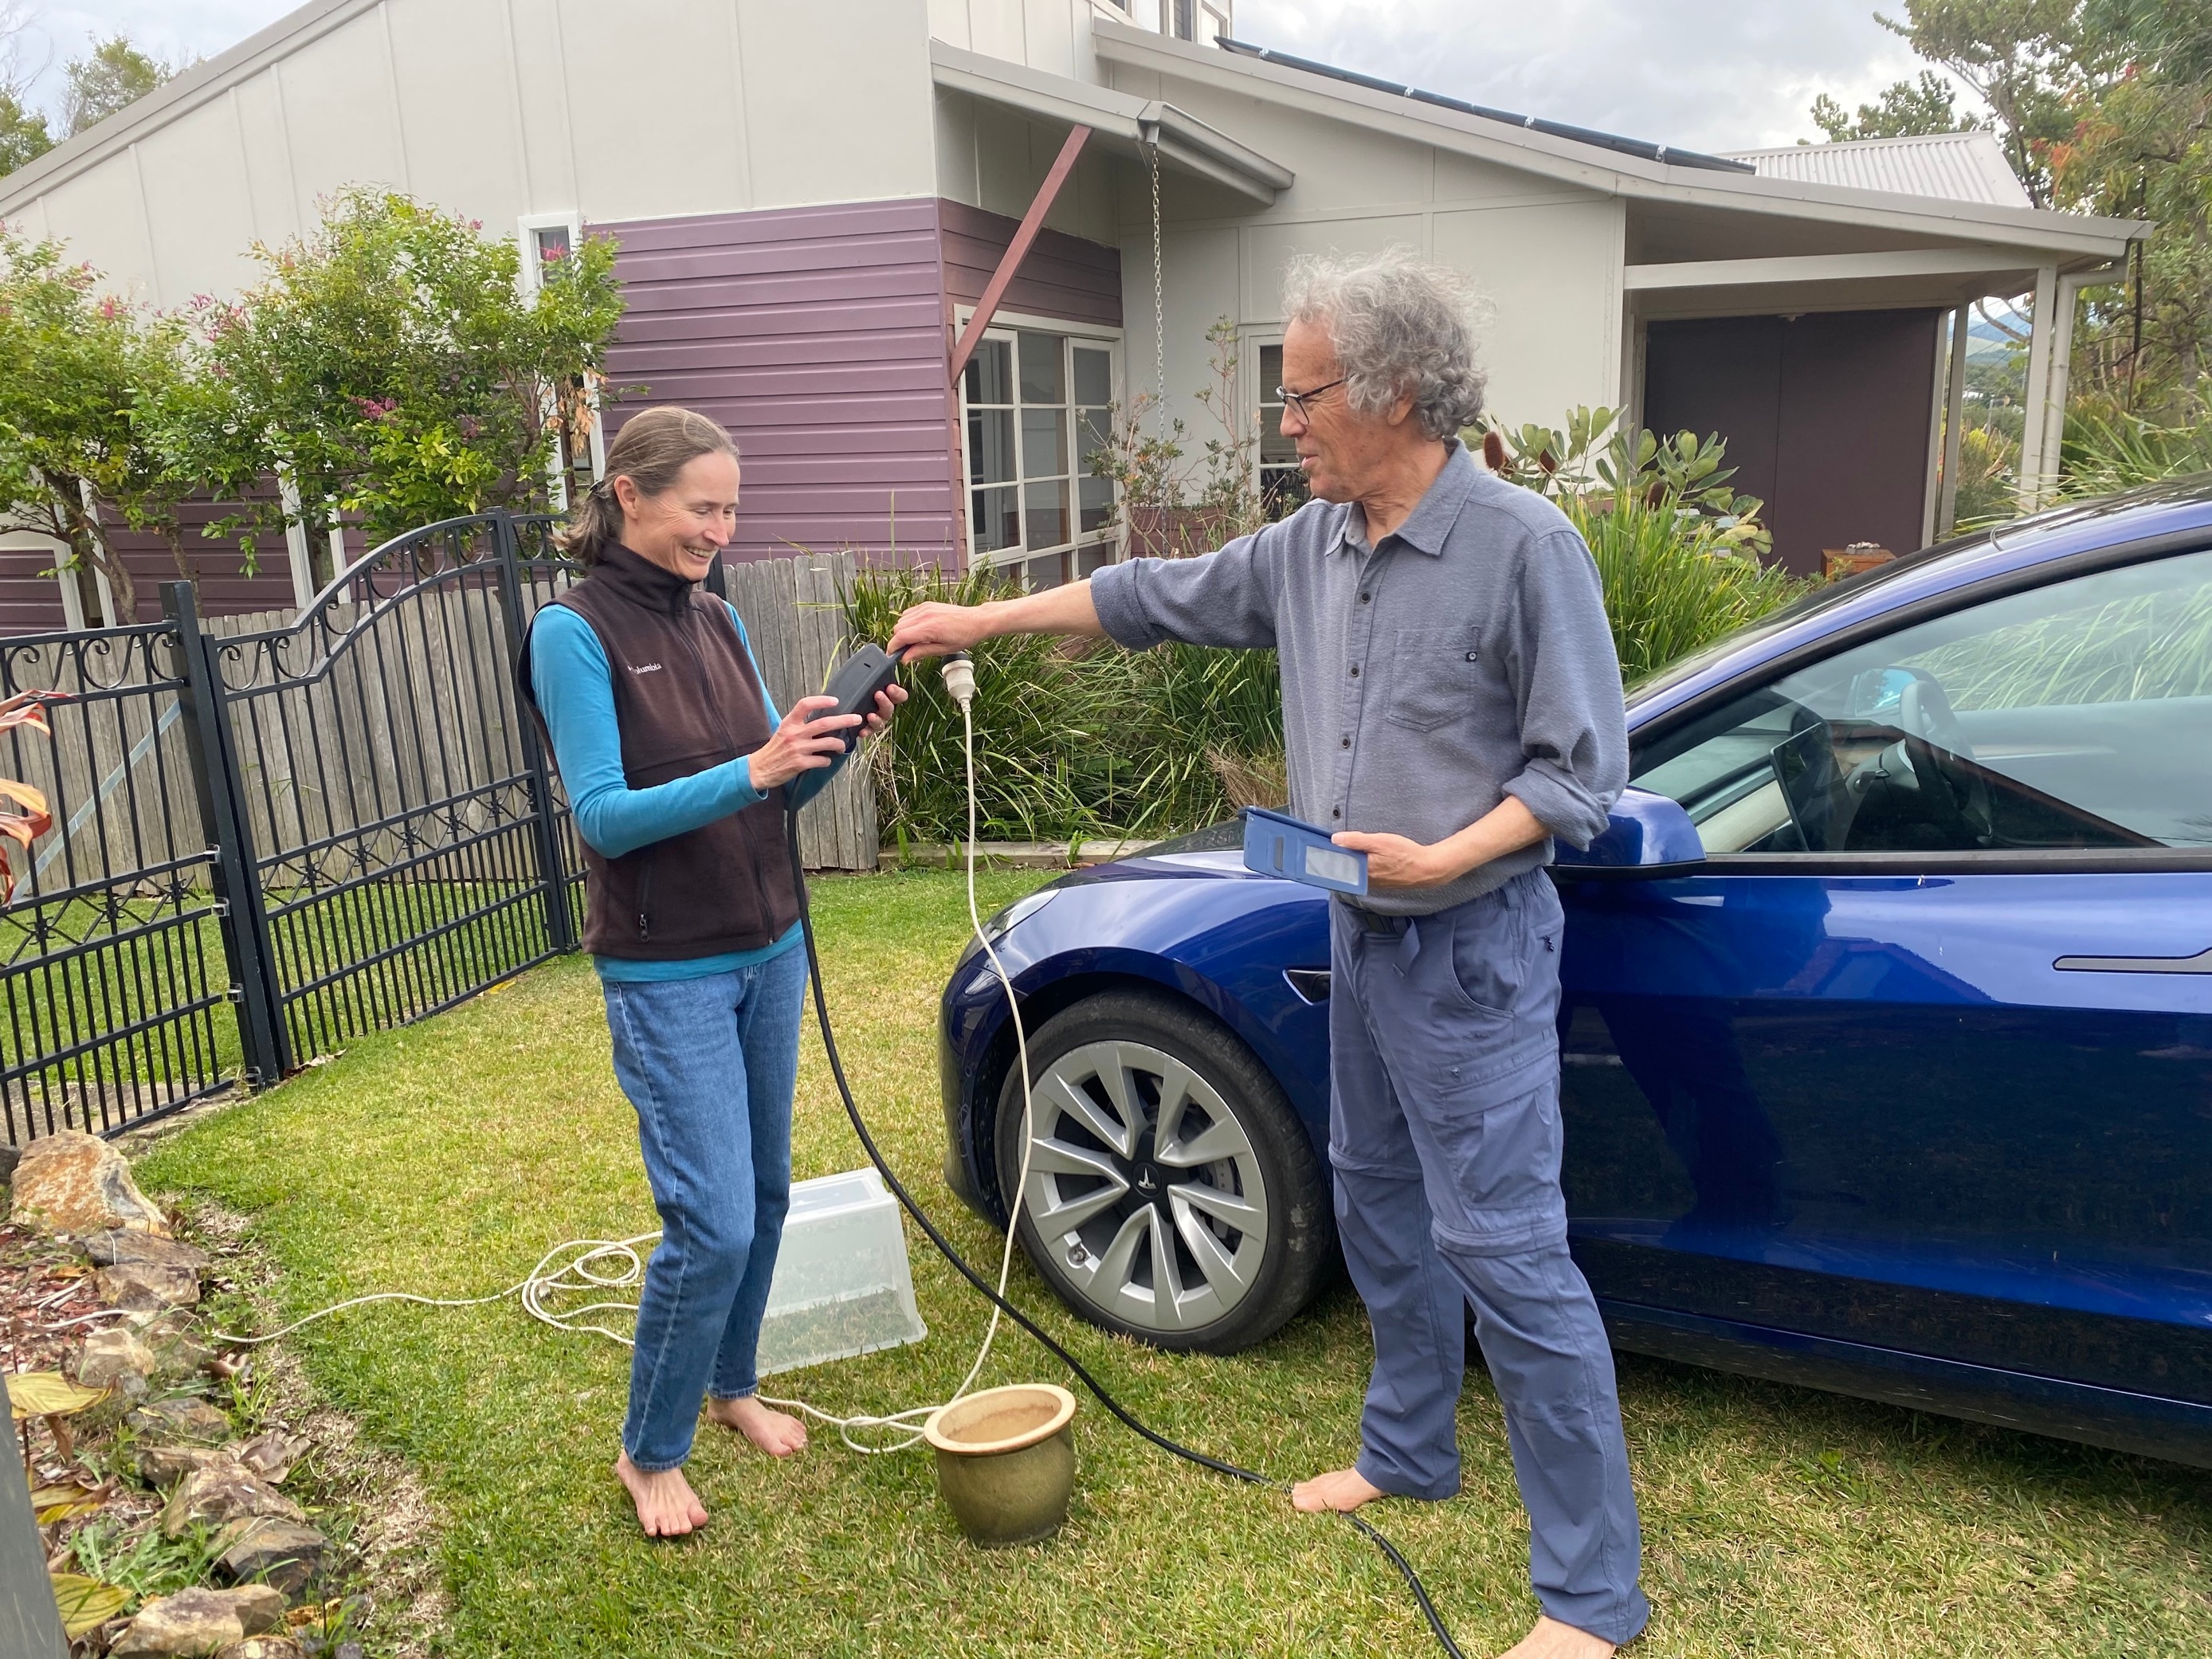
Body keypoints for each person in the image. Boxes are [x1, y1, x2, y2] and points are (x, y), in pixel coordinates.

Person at [890, 252, 1646, 1657]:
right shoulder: (1314, 544)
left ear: (1395, 391)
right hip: (1353, 938)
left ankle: (1592, 1598)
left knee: (1510, 1255)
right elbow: (1150, 594)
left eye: (1301, 395)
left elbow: (1580, 776)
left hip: (1471, 947)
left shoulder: (1526, 545)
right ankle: (1413, 1448)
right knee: (1374, 1203)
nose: (1283, 421)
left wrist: (1450, 853)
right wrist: (981, 620)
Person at [519, 406, 903, 1538]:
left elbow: (775, 796)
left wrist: (831, 745)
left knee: (771, 1193)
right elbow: (602, 815)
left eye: (732, 508)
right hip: (667, 967)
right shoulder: (570, 631)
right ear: (630, 494)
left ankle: (733, 1384)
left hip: (769, 945)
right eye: (704, 506)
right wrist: (754, 764)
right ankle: (651, 1449)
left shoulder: (721, 618)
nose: (720, 528)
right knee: (715, 1222)